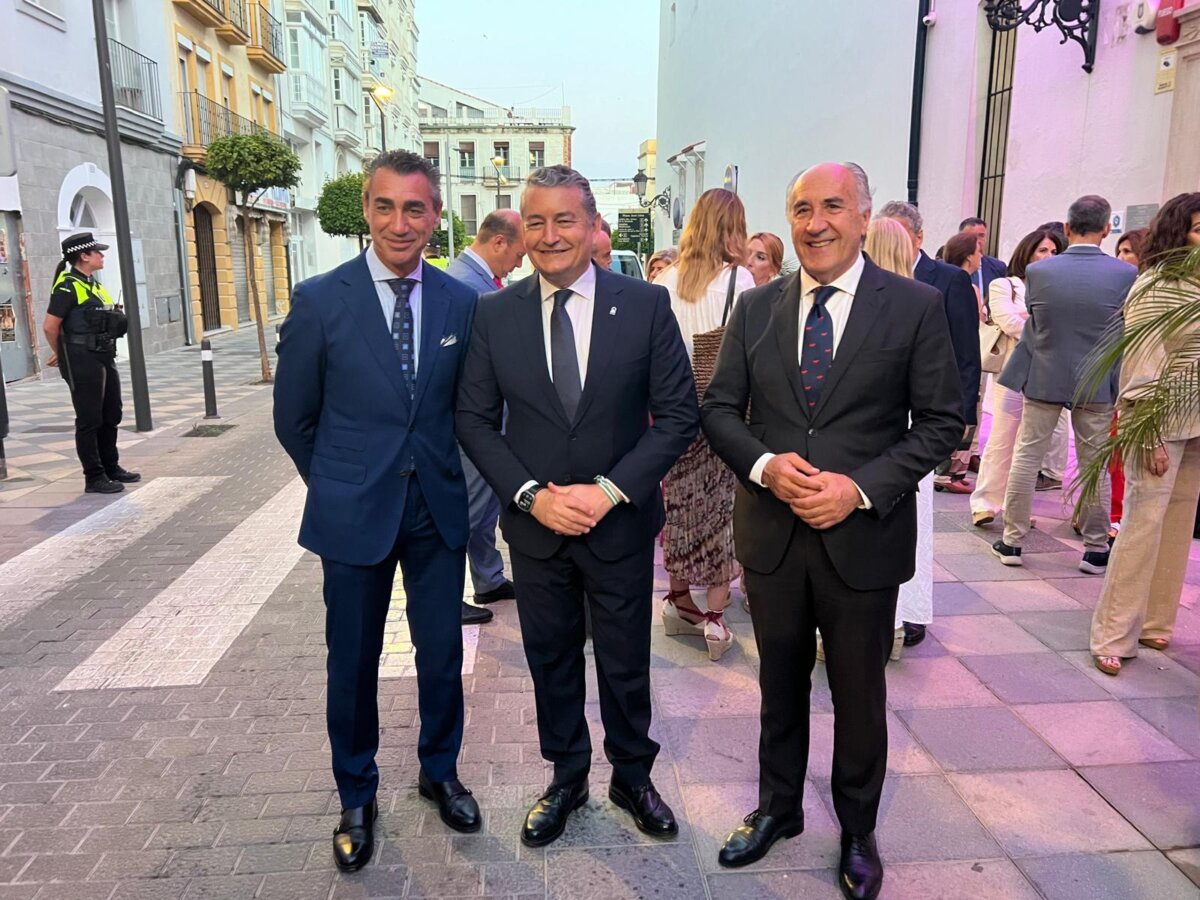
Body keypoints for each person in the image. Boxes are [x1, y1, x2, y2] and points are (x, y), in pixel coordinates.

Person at [702, 163, 962, 897]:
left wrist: (860, 488)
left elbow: (942, 420)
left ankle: (856, 828)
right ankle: (778, 809)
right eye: (801, 209)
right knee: (778, 685)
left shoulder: (913, 306)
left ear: (864, 216)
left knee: (858, 695)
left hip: (863, 542)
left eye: (832, 206)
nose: (815, 223)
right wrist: (763, 467)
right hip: (774, 538)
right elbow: (718, 409)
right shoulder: (757, 307)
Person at [456, 165, 698, 848]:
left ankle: (632, 776)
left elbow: (679, 415)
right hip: (537, 532)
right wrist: (530, 497)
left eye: (565, 220)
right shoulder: (494, 314)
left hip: (618, 525)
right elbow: (473, 420)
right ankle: (566, 776)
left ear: (593, 226)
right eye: (535, 221)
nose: (550, 234)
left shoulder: (645, 305)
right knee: (550, 656)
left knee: (624, 659)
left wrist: (609, 490)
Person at [273, 151, 482, 872]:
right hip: (353, 513)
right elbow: (294, 419)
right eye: (386, 206)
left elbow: (468, 410)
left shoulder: (459, 303)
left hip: (435, 510)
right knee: (353, 660)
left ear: (435, 216)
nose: (400, 223)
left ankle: (439, 771)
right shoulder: (320, 299)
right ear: (366, 210)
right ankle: (356, 794)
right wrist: (339, 484)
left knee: (442, 653)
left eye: (415, 208)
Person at [992, 195, 1137, 574]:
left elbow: (1037, 323)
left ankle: (1012, 540)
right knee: (1094, 464)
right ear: (1106, 229)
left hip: (1045, 374)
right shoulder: (1125, 275)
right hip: (1097, 379)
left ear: (1067, 228)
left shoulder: (1039, 273)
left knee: (1027, 456)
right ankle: (1095, 548)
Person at [1091, 193, 1200, 675]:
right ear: (1178, 232)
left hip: (1195, 422)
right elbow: (1144, 362)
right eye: (1198, 229)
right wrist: (1149, 433)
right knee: (1142, 525)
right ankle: (1113, 633)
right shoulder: (1157, 285)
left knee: (1178, 524)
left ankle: (1156, 620)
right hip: (1158, 419)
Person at [655, 188, 755, 661]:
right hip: (722, 412)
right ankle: (715, 619)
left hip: (675, 413)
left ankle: (677, 600)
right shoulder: (740, 281)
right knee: (721, 513)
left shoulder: (665, 280)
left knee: (679, 507)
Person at [446, 209, 528, 624]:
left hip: (485, 421)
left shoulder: (476, 281)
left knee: (483, 508)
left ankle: (488, 578)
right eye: (518, 254)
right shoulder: (467, 286)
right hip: (475, 423)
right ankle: (447, 596)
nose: (518, 264)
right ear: (498, 242)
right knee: (469, 511)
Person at [862, 216, 933, 658]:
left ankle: (882, 620)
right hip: (913, 439)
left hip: (878, 438)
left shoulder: (908, 303)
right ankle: (905, 617)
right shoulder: (925, 299)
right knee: (913, 531)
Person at [877, 201, 980, 496]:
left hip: (926, 403)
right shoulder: (869, 279)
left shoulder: (950, 279)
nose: (891, 241)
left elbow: (965, 351)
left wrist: (963, 413)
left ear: (918, 237)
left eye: (898, 233)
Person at [969, 228, 1067, 527]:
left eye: (1054, 252)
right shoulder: (1004, 285)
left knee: (1030, 444)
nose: (1048, 256)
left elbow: (1062, 323)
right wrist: (1044, 327)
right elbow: (1009, 321)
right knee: (1003, 436)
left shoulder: (1058, 287)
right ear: (1028, 252)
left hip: (1046, 371)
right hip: (1013, 372)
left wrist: (1030, 320)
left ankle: (1016, 509)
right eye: (1042, 250)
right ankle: (984, 503)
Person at [42, 233, 139, 494]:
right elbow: (50, 326)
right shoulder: (67, 286)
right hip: (82, 358)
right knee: (90, 418)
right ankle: (94, 477)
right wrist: (62, 353)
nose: (102, 255)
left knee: (111, 413)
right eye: (97, 252)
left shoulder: (93, 285)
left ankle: (111, 467)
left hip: (103, 354)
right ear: (84, 256)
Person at [1105, 228, 1149, 536]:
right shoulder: (1117, 288)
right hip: (1114, 376)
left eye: (1128, 252)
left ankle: (1120, 513)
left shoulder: (1151, 291)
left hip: (1139, 378)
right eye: (1119, 251)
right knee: (1114, 450)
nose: (1121, 258)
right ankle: (1111, 512)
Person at [958, 217, 1007, 299]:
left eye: (981, 236)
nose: (978, 241)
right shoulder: (947, 266)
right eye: (972, 236)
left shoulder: (998, 267)